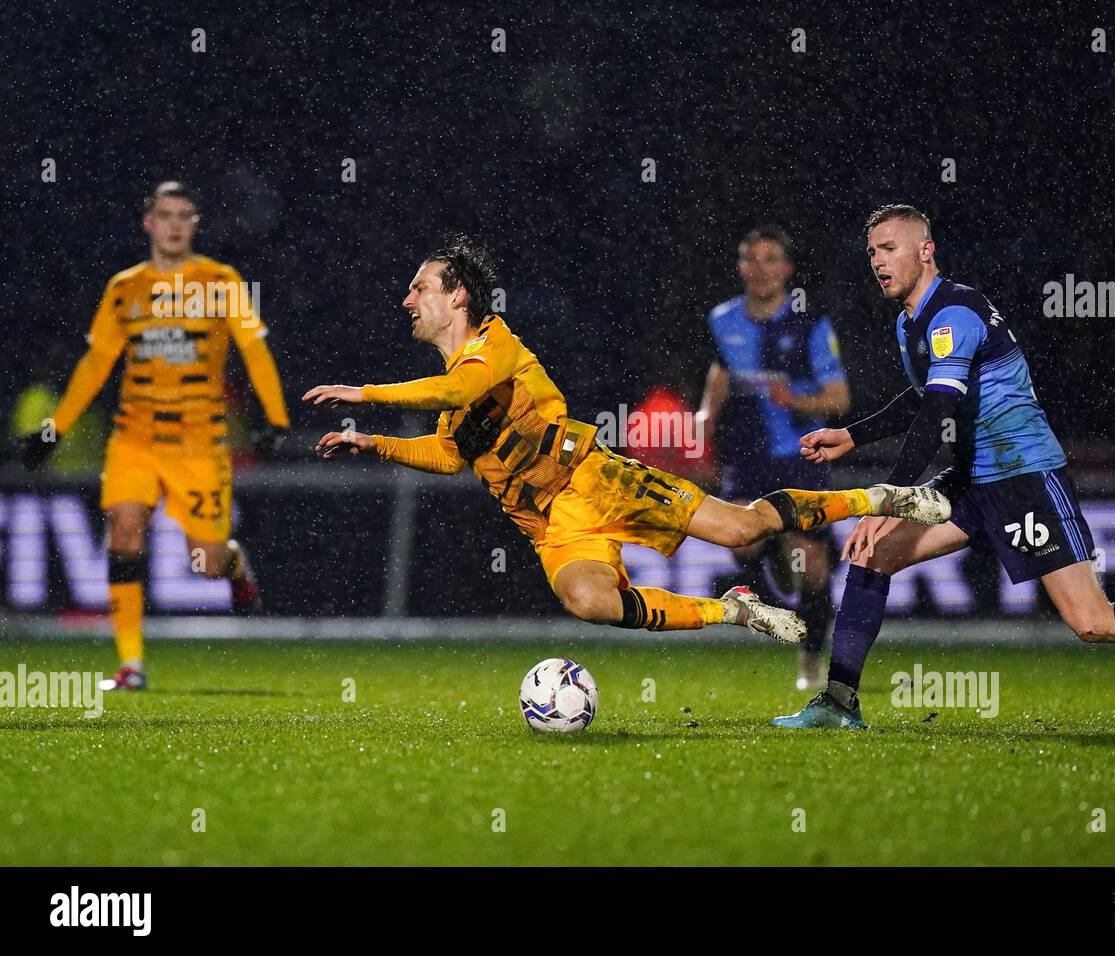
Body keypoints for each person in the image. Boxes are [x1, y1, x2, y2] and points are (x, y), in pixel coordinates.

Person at [774, 204, 1115, 733]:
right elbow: (923, 399)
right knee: (872, 554)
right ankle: (839, 701)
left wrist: (889, 497)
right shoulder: (911, 322)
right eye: (872, 251)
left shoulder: (955, 314)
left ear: (926, 251)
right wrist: (853, 434)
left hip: (1023, 476)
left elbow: (939, 411)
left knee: (1092, 622)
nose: (878, 260)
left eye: (890, 248)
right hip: (972, 478)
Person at [304, 234, 949, 641]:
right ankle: (736, 611)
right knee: (591, 602)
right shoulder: (457, 381)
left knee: (743, 530)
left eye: (419, 287)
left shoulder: (494, 346)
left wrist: (363, 395)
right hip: (551, 525)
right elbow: (448, 451)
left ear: (459, 295)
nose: (407, 298)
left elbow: (449, 394)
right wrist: (375, 444)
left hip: (596, 480)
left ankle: (881, 497)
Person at [19, 181, 291, 691]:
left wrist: (275, 419)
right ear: (148, 223)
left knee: (207, 563)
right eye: (164, 215)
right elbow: (97, 361)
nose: (173, 225)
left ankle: (234, 564)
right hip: (135, 439)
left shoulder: (221, 281)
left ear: (195, 224)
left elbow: (254, 351)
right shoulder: (126, 287)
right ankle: (130, 665)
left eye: (184, 215)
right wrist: (55, 426)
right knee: (123, 532)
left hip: (199, 443)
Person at [698, 226, 850, 688]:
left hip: (801, 458)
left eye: (771, 259)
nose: (760, 269)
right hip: (747, 455)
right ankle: (776, 561)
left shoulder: (811, 324)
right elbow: (721, 370)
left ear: (787, 269)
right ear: (740, 267)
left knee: (813, 567)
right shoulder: (722, 319)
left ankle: (810, 658)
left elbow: (840, 400)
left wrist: (796, 402)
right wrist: (705, 418)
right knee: (739, 542)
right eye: (751, 259)